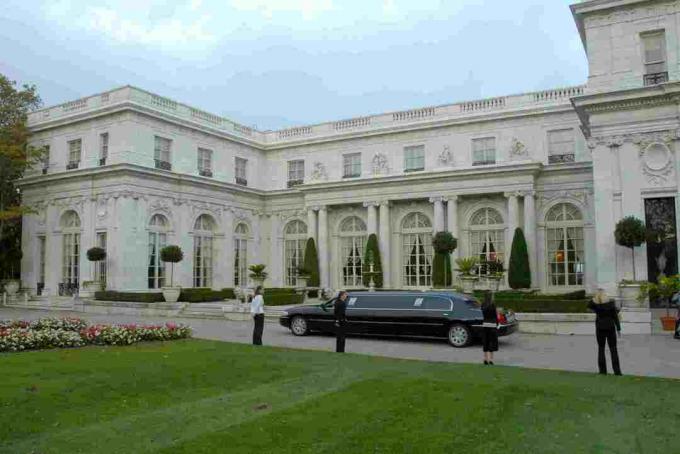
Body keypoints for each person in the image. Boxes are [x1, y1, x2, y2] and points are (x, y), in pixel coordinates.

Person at [588, 289, 622, 375]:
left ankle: (602, 371)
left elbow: (589, 304)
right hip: (610, 328)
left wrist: (595, 298)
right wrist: (618, 329)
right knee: (613, 349)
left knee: (601, 349)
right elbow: (615, 317)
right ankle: (617, 371)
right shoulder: (611, 304)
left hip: (600, 328)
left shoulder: (596, 305)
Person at [480, 291, 498, 365]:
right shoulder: (493, 305)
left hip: (485, 324)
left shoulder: (483, 304)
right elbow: (495, 315)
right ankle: (491, 359)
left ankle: (485, 359)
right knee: (491, 342)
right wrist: (497, 323)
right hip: (492, 325)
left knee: (486, 342)